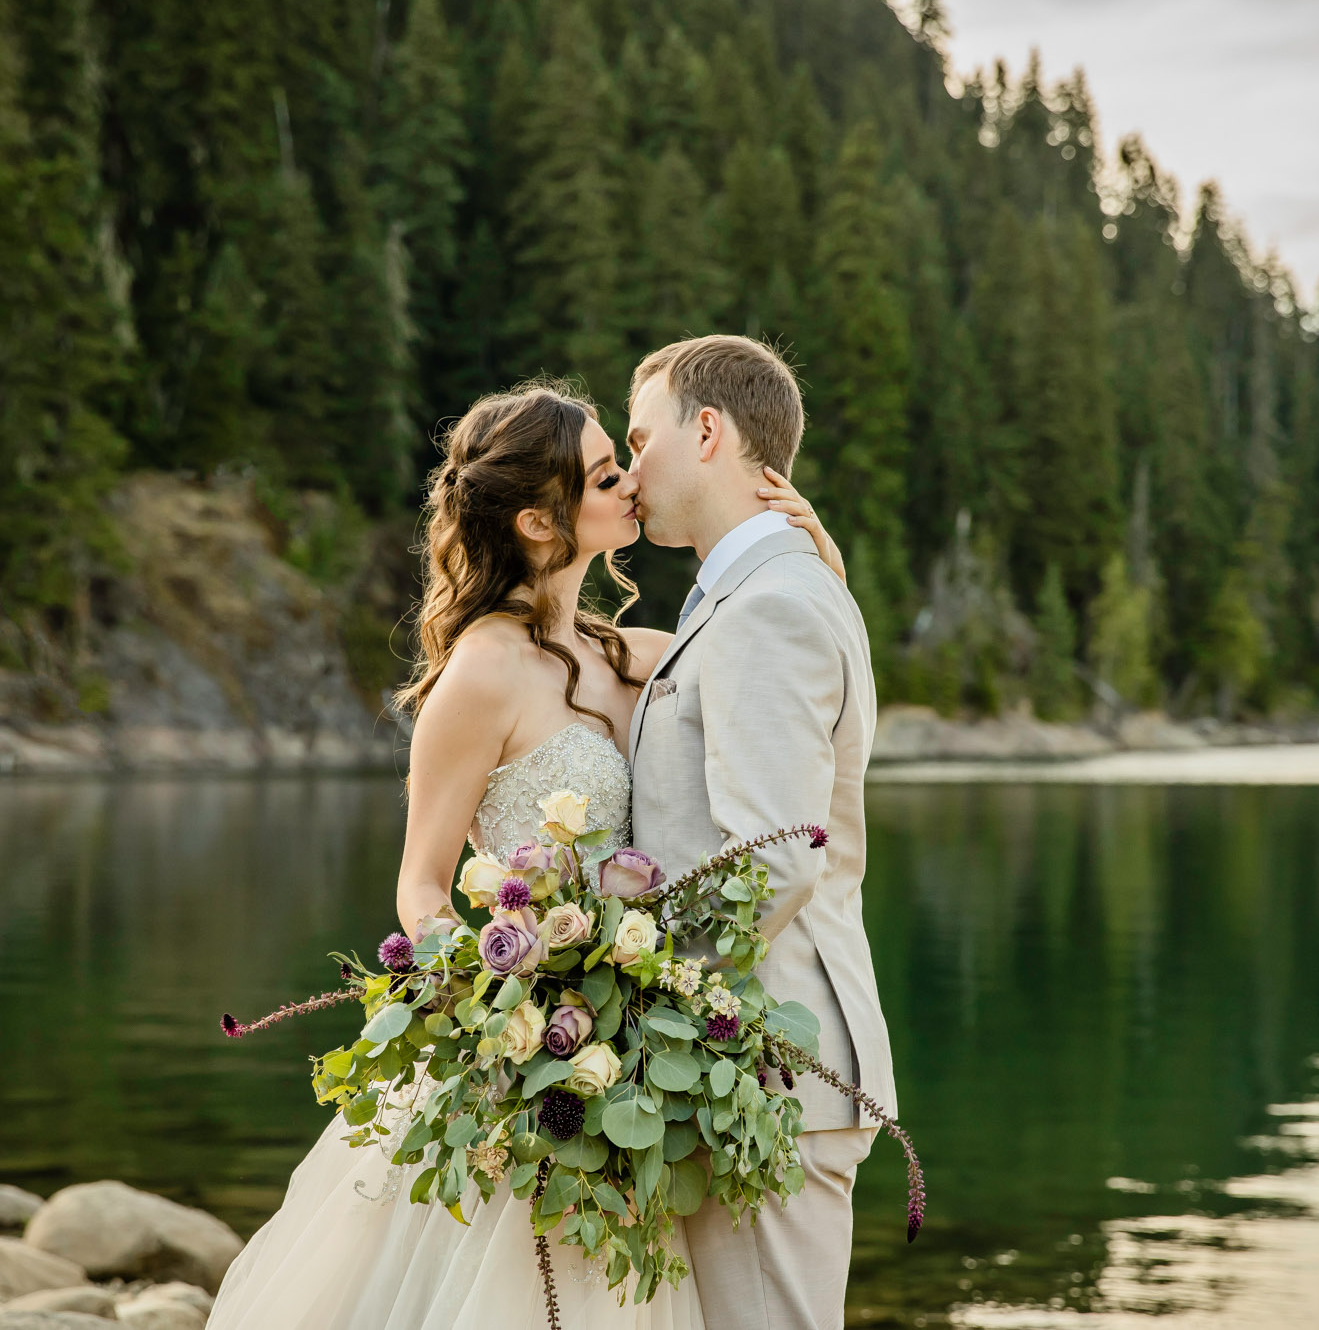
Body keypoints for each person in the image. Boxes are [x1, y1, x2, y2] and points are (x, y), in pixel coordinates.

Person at [204, 372, 845, 1330]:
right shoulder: (481, 673)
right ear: (542, 523)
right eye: (599, 475)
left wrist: (806, 552)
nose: (629, 480)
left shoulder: (629, 652)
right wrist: (502, 1007)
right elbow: (422, 882)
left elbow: (764, 648)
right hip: (525, 1052)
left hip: (623, 1053)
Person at [625, 335, 897, 1330]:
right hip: (761, 1062)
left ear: (707, 431)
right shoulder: (773, 588)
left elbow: (769, 864)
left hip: (772, 1071)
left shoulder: (768, 607)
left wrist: (617, 969)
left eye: (639, 435)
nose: (626, 466)